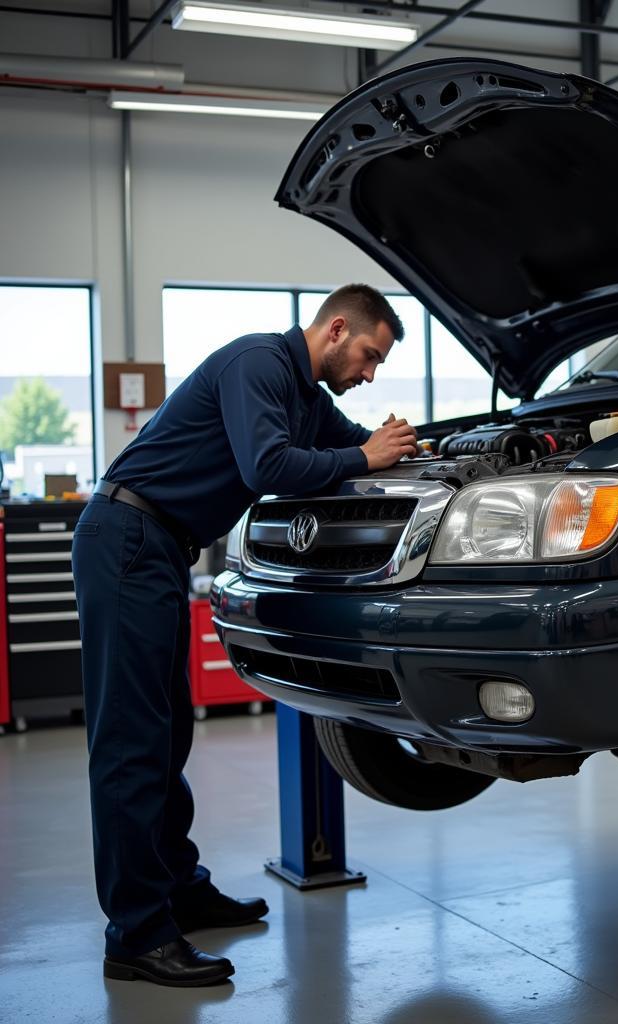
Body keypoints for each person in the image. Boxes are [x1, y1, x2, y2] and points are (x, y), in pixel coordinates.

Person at [71, 284, 417, 987]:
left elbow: (356, 445)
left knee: (167, 737)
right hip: (127, 536)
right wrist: (366, 458)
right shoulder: (258, 363)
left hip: (160, 548)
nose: (370, 374)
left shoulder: (304, 394)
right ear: (336, 327)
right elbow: (270, 468)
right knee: (132, 743)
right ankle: (136, 935)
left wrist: (415, 448)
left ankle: (179, 890)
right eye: (370, 356)